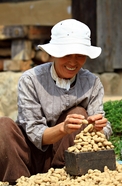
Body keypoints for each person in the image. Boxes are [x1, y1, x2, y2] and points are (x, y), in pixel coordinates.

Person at [0, 19, 112, 183]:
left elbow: (104, 130)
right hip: (27, 156)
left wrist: (97, 128)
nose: (73, 62)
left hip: (66, 158)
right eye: (67, 55)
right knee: (3, 126)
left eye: (80, 56)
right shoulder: (31, 79)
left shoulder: (92, 83)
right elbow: (34, 132)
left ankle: (64, 178)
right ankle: (18, 181)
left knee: (78, 114)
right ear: (53, 54)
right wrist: (63, 129)